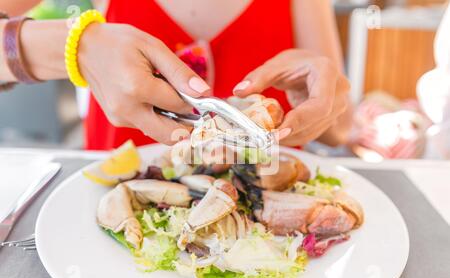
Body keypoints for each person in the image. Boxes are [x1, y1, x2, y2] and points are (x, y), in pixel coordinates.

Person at [0, 0, 352, 150]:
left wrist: (323, 104)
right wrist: (76, 45)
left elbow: (339, 129)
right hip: (112, 221)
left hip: (264, 238)